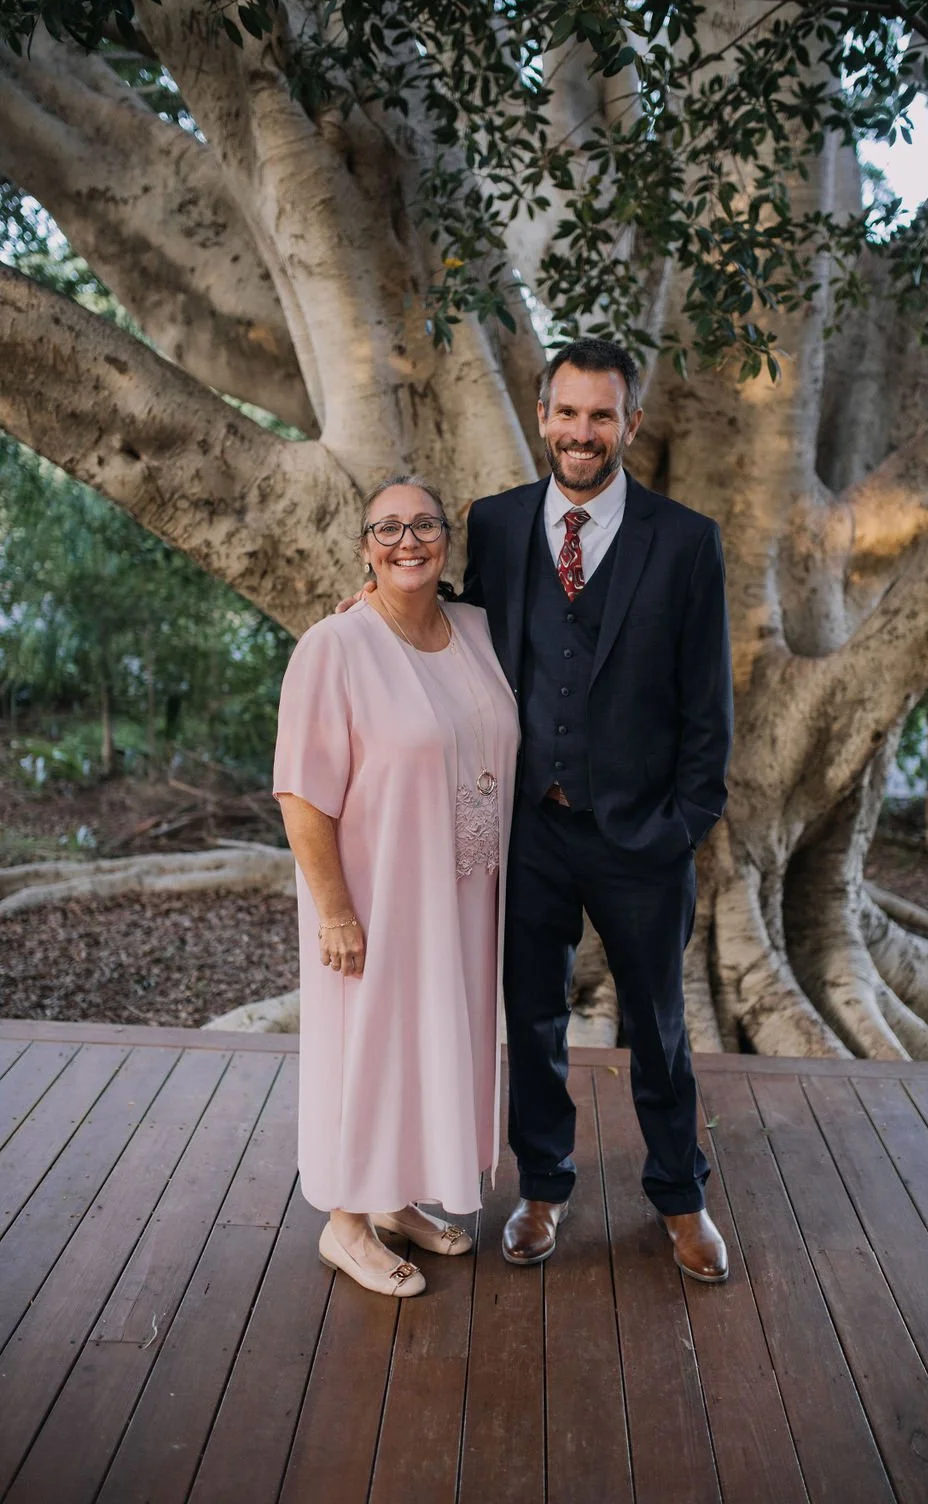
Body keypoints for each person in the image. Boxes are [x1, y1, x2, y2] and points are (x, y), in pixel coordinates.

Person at [462, 338, 733, 1281]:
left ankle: (681, 1197)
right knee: (532, 1018)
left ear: (631, 424)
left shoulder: (686, 540)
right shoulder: (495, 524)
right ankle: (543, 1187)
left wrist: (682, 826)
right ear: (542, 416)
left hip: (642, 834)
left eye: (602, 415)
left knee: (656, 1026)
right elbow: (457, 632)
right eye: (568, 413)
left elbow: (709, 704)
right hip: (530, 826)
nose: (583, 433)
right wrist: (373, 605)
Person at [274, 477, 519, 1297]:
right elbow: (301, 794)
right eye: (387, 528)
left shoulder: (478, 629)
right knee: (371, 1047)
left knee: (430, 1043)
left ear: (446, 539)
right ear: (364, 549)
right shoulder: (335, 647)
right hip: (374, 897)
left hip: (461, 896)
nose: (406, 541)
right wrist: (335, 913)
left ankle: (396, 1199)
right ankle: (345, 1225)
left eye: (423, 525)